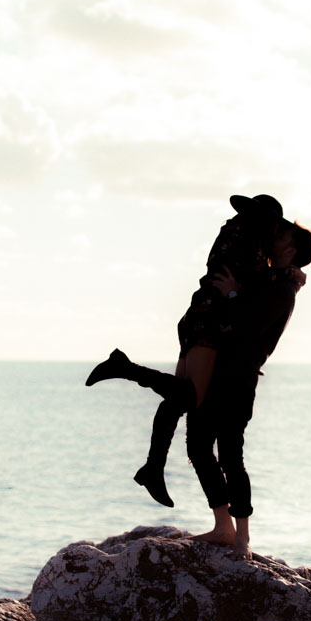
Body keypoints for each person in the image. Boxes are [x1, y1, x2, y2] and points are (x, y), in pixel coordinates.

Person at [85, 194, 284, 507]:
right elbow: (254, 284)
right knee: (191, 397)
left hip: (196, 316)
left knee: (179, 397)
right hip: (209, 321)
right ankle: (124, 370)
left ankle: (152, 467)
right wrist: (285, 274)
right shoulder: (250, 239)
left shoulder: (231, 231)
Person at [183, 219, 311, 559]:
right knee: (198, 447)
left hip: (238, 381)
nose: (273, 238)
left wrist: (230, 293)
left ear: (289, 250)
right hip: (216, 374)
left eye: (281, 236)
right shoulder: (271, 279)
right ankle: (222, 526)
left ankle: (242, 536)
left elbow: (247, 327)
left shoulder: (282, 289)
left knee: (230, 456)